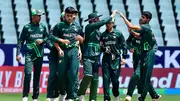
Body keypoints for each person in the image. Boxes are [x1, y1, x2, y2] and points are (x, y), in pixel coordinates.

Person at [16, 9, 61, 101]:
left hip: (39, 54)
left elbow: (48, 38)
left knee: (37, 76)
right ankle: (25, 96)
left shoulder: (43, 27)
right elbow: (21, 41)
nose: (40, 17)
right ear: (33, 16)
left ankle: (35, 98)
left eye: (41, 16)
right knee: (28, 74)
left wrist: (44, 42)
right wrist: (18, 53)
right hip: (29, 54)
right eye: (38, 16)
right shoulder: (26, 27)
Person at [118, 11, 161, 101]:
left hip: (147, 54)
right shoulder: (142, 30)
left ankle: (135, 96)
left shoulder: (146, 28)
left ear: (148, 19)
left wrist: (123, 17)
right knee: (142, 76)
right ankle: (154, 95)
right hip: (140, 55)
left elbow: (130, 26)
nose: (141, 18)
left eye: (143, 17)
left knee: (141, 75)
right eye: (141, 16)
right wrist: (131, 36)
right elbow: (135, 37)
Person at [78, 10, 117, 101]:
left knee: (95, 79)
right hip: (88, 56)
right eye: (97, 18)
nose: (99, 19)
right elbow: (103, 22)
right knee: (88, 75)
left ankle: (93, 99)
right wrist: (111, 16)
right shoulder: (88, 27)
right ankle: (80, 94)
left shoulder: (98, 33)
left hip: (96, 57)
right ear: (93, 20)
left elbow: (99, 45)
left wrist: (105, 49)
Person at [53, 6, 84, 101]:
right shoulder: (59, 26)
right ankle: (62, 92)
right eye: (68, 15)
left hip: (74, 51)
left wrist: (80, 45)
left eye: (71, 15)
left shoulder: (78, 26)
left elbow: (82, 40)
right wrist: (59, 49)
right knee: (61, 74)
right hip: (63, 52)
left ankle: (70, 96)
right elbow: (53, 39)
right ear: (64, 15)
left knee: (73, 74)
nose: (69, 17)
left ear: (74, 16)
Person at [125, 33, 161, 101]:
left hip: (145, 58)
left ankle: (129, 95)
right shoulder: (133, 32)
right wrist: (130, 47)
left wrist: (151, 52)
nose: (135, 36)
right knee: (143, 77)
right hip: (136, 58)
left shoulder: (148, 34)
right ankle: (154, 95)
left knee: (136, 75)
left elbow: (155, 44)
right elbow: (127, 41)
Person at [100, 18, 127, 101]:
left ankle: (116, 95)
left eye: (110, 23)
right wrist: (104, 49)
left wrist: (124, 57)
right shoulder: (103, 35)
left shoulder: (118, 33)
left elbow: (124, 45)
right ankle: (106, 98)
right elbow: (100, 46)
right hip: (106, 60)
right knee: (106, 80)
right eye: (106, 23)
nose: (108, 25)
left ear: (113, 23)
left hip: (116, 59)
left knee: (115, 81)